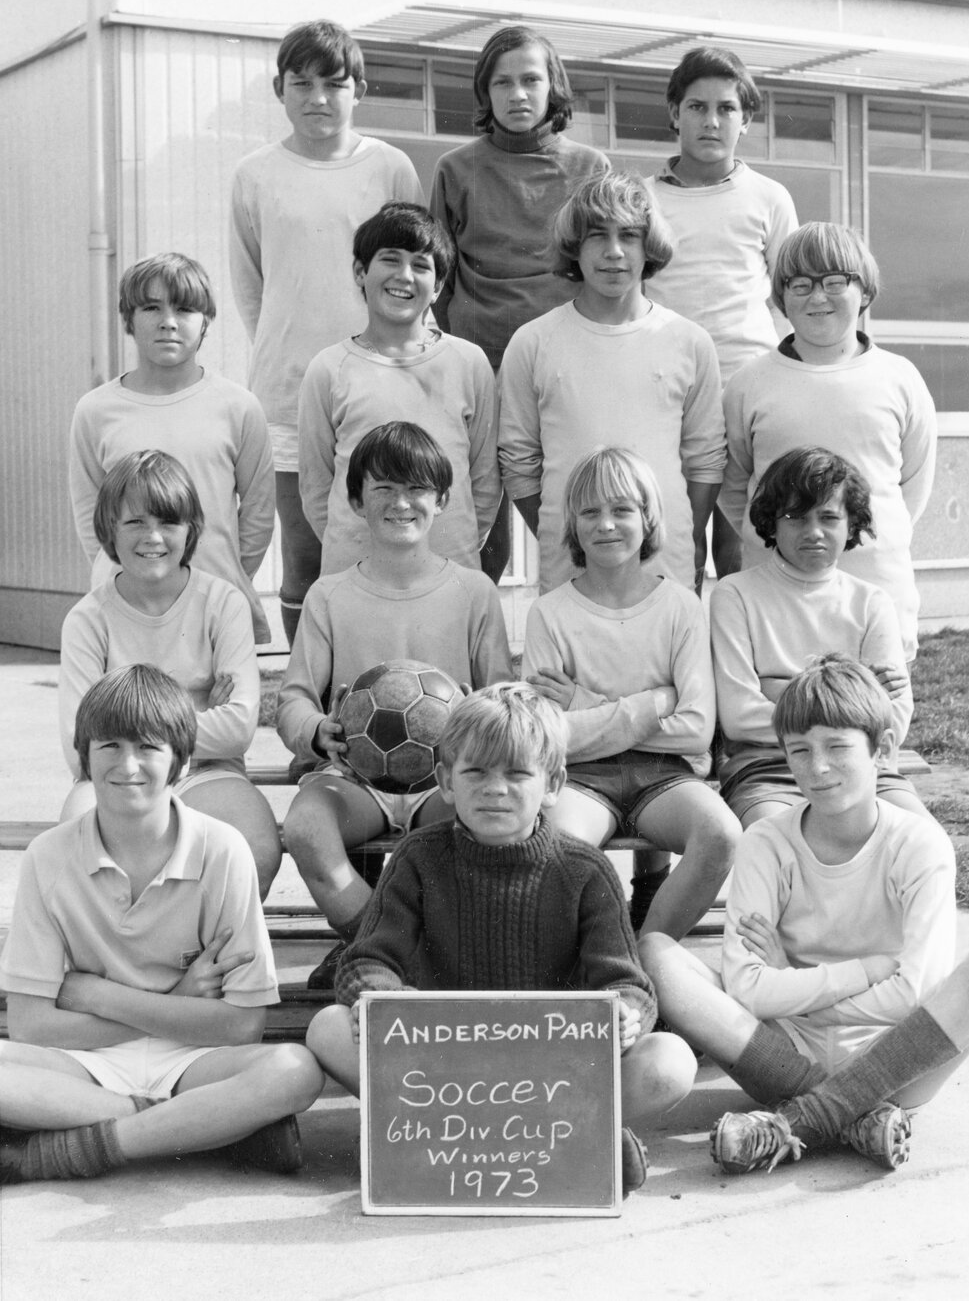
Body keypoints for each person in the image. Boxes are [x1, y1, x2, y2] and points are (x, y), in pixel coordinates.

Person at [305, 683, 699, 1195]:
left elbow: (628, 983)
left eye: (517, 774)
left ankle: (464, 1137)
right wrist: (379, 1003)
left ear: (553, 784)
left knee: (670, 1062)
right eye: (476, 772)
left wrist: (627, 1015)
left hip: (550, 1072)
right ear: (445, 781)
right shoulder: (418, 858)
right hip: (439, 1070)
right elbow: (366, 961)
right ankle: (569, 1137)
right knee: (329, 1028)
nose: (495, 789)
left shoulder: (585, 870)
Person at [639, 656, 969, 1175]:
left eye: (837, 747)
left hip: (896, 1055)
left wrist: (790, 985)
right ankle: (858, 1118)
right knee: (656, 952)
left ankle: (801, 1120)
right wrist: (868, 971)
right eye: (800, 751)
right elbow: (746, 991)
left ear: (883, 748)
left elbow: (916, 993)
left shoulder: (920, 844)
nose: (818, 768)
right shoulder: (767, 841)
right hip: (782, 1049)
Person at [0, 665, 324, 1188]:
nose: (128, 764)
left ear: (182, 760)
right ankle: (207, 1127)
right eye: (109, 745)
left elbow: (242, 1027)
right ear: (84, 758)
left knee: (295, 1069)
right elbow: (31, 1027)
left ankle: (63, 1151)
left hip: (195, 1060)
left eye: (148, 747)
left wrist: (100, 995)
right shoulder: (48, 856)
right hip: (83, 1059)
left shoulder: (223, 850)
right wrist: (178, 999)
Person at [277, 422, 513, 983]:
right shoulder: (329, 595)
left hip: (445, 780)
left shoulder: (474, 591)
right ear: (357, 502)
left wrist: (478, 723)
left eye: (416, 489)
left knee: (485, 823)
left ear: (442, 500)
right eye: (383, 489)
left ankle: (425, 952)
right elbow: (293, 699)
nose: (401, 503)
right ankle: (375, 943)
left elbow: (502, 694)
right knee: (306, 826)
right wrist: (316, 730)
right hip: (354, 781)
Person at [230, 19, 423, 642]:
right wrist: (295, 354)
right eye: (302, 83)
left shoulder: (390, 167)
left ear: (358, 90)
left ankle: (386, 679)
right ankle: (306, 687)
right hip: (287, 392)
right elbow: (253, 288)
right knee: (305, 551)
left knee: (383, 539)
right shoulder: (254, 174)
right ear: (279, 90)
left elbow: (415, 275)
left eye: (334, 84)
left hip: (379, 385)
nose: (318, 98)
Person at [522, 447, 739, 937]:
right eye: (590, 512)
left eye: (622, 510)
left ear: (647, 519)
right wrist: (656, 702)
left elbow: (695, 731)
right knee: (555, 848)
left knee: (721, 834)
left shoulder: (681, 607)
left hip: (664, 775)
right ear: (573, 524)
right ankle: (606, 952)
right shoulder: (549, 613)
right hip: (580, 778)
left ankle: (650, 950)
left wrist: (583, 706)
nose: (606, 525)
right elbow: (546, 738)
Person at [430, 24, 610, 580]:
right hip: (479, 368)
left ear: (553, 86)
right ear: (484, 92)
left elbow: (611, 273)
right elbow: (439, 277)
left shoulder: (590, 169)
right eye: (502, 82)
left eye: (531, 80)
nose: (518, 94)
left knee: (572, 524)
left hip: (566, 368)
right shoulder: (455, 169)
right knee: (483, 533)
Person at [59, 451, 283, 896]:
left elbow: (238, 728)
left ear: (191, 528)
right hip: (116, 774)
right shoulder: (88, 619)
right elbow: (79, 746)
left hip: (209, 773)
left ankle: (208, 942)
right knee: (82, 845)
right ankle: (124, 943)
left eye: (168, 522)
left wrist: (122, 728)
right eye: (135, 522)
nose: (154, 537)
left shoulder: (223, 604)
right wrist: (192, 719)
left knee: (255, 848)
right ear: (108, 529)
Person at [499, 170, 725, 595]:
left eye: (630, 236)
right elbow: (519, 463)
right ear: (575, 245)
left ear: (649, 245)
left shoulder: (689, 342)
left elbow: (706, 460)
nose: (614, 252)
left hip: (665, 569)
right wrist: (563, 534)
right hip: (569, 571)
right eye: (597, 236)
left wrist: (678, 536)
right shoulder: (533, 342)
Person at [718, 222, 936, 658]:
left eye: (835, 282)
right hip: (777, 606)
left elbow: (912, 486)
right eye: (800, 285)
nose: (817, 297)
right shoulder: (748, 384)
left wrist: (864, 535)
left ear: (864, 290)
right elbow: (734, 485)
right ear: (781, 296)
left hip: (877, 595)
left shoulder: (900, 378)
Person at [711, 446, 928, 829]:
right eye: (795, 517)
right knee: (778, 836)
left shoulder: (871, 602)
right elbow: (739, 716)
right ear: (771, 523)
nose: (813, 532)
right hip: (768, 769)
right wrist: (854, 695)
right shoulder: (735, 595)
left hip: (864, 770)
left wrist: (780, 690)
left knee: (921, 837)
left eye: (829, 517)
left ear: (851, 525)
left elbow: (894, 719)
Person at [642, 46, 798, 577]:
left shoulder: (770, 198)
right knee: (675, 546)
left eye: (726, 108)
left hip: (746, 393)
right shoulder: (641, 199)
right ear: (674, 113)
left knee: (740, 548)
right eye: (697, 107)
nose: (711, 121)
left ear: (746, 119)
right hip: (667, 392)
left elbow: (791, 296)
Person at [70, 252, 274, 644]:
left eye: (184, 309)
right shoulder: (95, 410)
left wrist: (221, 579)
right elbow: (89, 512)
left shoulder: (239, 407)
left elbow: (259, 514)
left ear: (206, 321)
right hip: (126, 606)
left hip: (214, 605)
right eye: (151, 308)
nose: (168, 321)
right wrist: (130, 574)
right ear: (128, 319)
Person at [297, 202, 499, 576]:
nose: (404, 276)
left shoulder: (468, 363)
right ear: (360, 272)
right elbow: (316, 488)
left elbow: (485, 482)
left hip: (449, 570)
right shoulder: (328, 369)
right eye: (390, 260)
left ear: (438, 287)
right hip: (356, 573)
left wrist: (454, 544)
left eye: (420, 265)